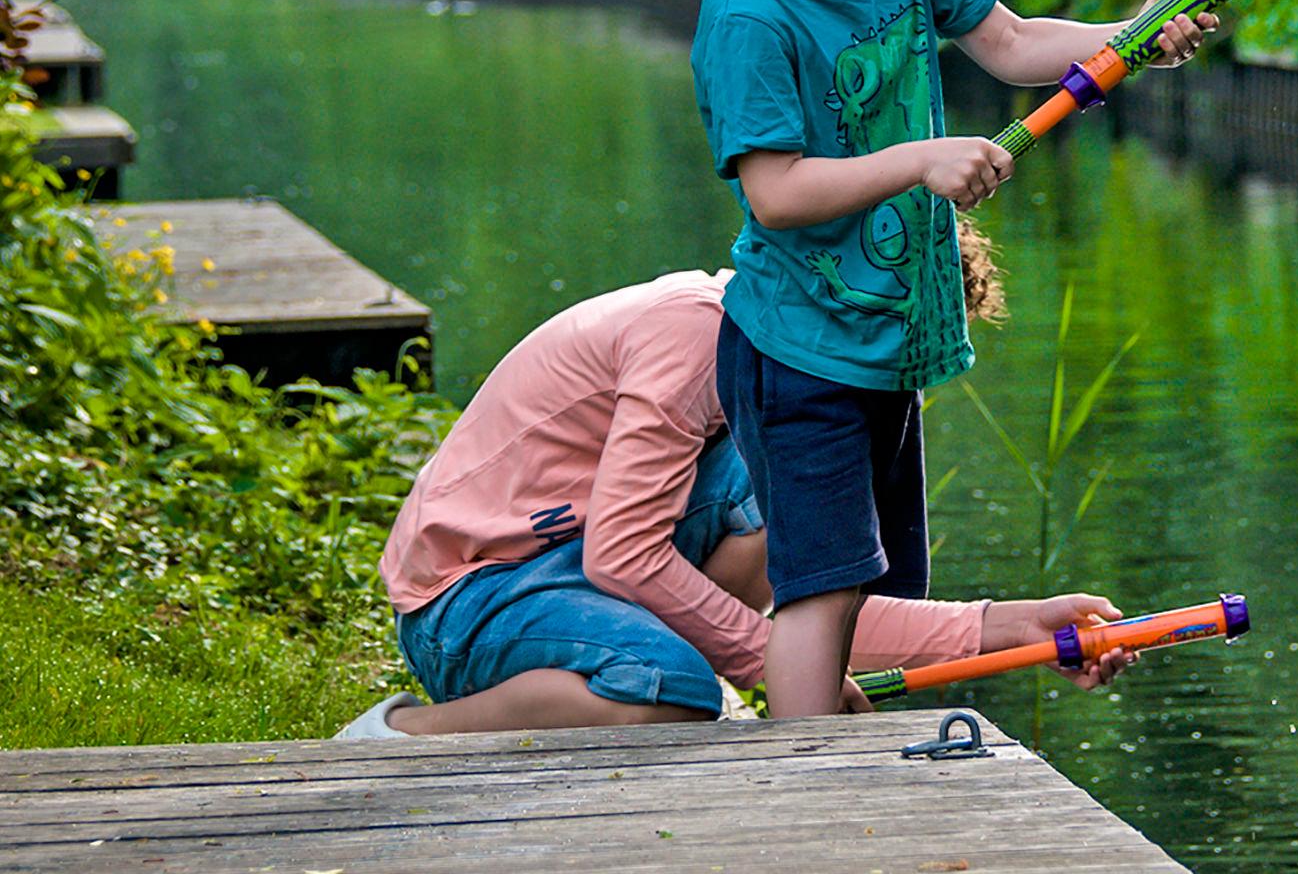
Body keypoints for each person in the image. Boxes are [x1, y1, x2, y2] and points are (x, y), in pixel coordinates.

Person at [618, 0, 1216, 717]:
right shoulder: (746, 19)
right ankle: (809, 789)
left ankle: (854, 780)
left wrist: (1134, 36)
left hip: (883, 340)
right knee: (823, 584)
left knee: (880, 577)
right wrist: (916, 160)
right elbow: (775, 190)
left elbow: (1015, 42)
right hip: (797, 349)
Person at [338, 236, 1131, 739]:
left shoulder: (782, 375)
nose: (888, 384)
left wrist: (1017, 628)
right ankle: (404, 731)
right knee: (680, 692)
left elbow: (816, 602)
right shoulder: (694, 337)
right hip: (471, 596)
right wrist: (773, 668)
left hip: (574, 568)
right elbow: (623, 557)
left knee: (787, 498)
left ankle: (657, 670)